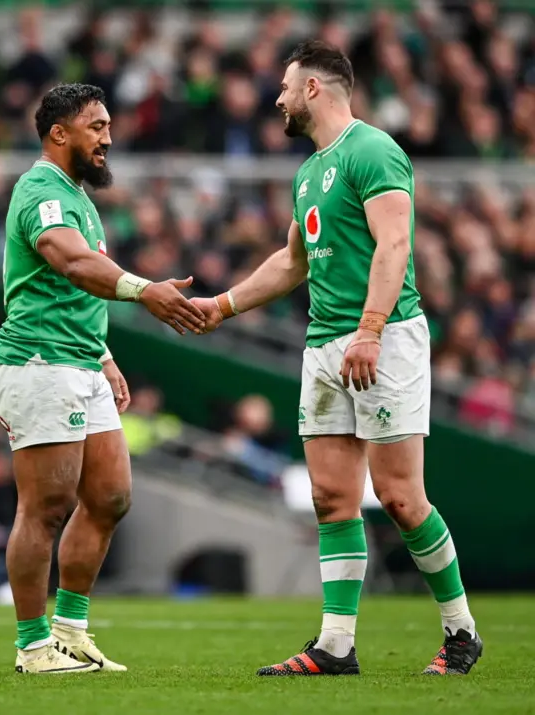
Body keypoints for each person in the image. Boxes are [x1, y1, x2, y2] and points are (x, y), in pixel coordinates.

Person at [191, 40, 482, 677]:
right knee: (331, 497)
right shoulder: (307, 171)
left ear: (315, 89)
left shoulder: (374, 149)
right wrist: (225, 304)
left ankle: (461, 632)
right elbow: (293, 261)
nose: (278, 98)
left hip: (384, 337)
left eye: (286, 87)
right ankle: (336, 646)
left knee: (402, 498)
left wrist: (371, 329)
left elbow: (396, 242)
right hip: (325, 344)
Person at [0, 83, 205, 675]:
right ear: (59, 133)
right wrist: (144, 290)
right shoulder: (41, 190)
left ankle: (70, 631)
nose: (109, 138)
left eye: (109, 126)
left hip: (79, 360)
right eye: (97, 127)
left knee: (109, 497)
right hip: (37, 362)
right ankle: (32, 647)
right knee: (46, 507)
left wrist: (104, 353)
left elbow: (66, 291)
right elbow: (71, 262)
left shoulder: (76, 194)